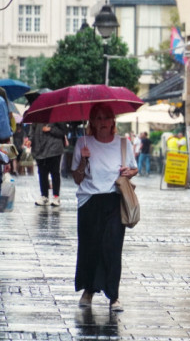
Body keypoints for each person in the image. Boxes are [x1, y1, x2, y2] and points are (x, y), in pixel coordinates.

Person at [71, 103, 137, 312]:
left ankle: (114, 296)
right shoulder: (83, 143)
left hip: (114, 200)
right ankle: (89, 290)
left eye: (105, 118)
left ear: (112, 122)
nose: (101, 123)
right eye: (97, 118)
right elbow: (77, 178)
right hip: (89, 201)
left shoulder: (123, 143)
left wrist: (128, 171)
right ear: (91, 122)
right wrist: (83, 161)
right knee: (90, 247)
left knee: (112, 247)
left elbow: (134, 169)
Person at [29, 122, 67, 206]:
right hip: (39, 149)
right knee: (42, 173)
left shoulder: (56, 115)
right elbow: (32, 130)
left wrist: (51, 129)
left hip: (54, 149)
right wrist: (30, 140)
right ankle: (44, 196)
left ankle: (56, 196)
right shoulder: (36, 116)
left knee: (55, 172)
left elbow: (63, 131)